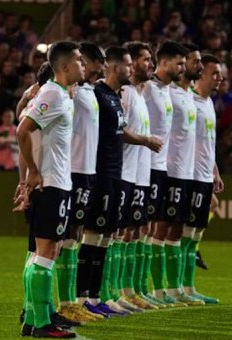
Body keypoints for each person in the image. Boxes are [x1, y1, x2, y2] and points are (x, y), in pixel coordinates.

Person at [76, 45, 162, 318]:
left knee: (105, 237)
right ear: (115, 67)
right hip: (100, 173)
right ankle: (81, 299)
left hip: (116, 173)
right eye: (128, 65)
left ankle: (95, 296)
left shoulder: (114, 96)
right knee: (91, 236)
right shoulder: (98, 94)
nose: (132, 69)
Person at [15, 41, 84, 339]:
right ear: (66, 66)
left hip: (57, 183)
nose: (83, 65)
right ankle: (42, 324)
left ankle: (33, 318)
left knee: (42, 253)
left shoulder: (58, 95)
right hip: (52, 184)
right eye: (80, 60)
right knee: (46, 253)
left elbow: (23, 119)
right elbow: (22, 130)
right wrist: (32, 170)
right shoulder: (53, 94)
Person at [54, 42, 107, 324]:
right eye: (87, 63)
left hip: (87, 173)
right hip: (70, 171)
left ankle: (71, 302)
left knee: (74, 238)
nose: (91, 68)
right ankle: (63, 303)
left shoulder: (88, 92)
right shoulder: (68, 93)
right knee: (65, 238)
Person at [153, 43, 205, 307]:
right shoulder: (168, 93)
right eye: (186, 62)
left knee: (175, 230)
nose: (191, 67)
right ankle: (157, 290)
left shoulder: (189, 95)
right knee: (159, 229)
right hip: (169, 170)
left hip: (186, 173)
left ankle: (174, 289)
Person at [142, 41, 187, 308]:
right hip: (143, 167)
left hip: (162, 169)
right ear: (165, 62)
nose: (182, 68)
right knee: (138, 229)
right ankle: (128, 290)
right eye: (179, 63)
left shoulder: (169, 91)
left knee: (148, 229)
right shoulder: (146, 88)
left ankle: (145, 290)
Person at [185, 54, 224, 304]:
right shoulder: (191, 102)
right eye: (215, 73)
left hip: (204, 174)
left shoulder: (209, 103)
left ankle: (187, 288)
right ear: (201, 75)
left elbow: (208, 143)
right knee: (182, 235)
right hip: (189, 175)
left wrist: (215, 171)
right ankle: (179, 288)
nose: (219, 78)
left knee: (193, 233)